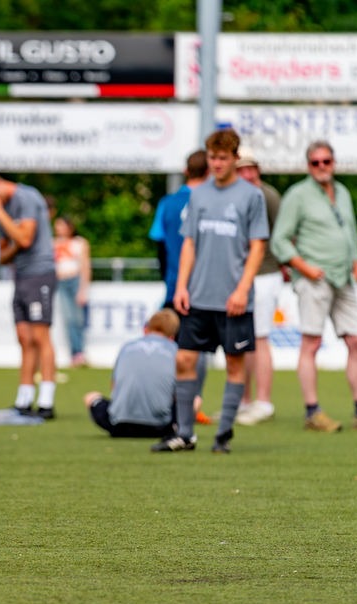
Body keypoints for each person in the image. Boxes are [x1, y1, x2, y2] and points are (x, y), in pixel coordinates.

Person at [151, 128, 269, 454]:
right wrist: (181, 286)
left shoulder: (251, 196)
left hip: (234, 300)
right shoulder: (199, 195)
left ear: (235, 158)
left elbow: (258, 247)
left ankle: (223, 435)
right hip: (198, 297)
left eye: (223, 158)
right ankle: (185, 434)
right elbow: (189, 244)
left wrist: (242, 290)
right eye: (213, 158)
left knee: (234, 365)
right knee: (184, 359)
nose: (217, 163)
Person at [270, 140, 357, 432]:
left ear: (334, 163)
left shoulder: (342, 192)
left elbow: (350, 230)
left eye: (326, 161)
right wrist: (304, 267)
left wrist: (356, 259)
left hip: (343, 277)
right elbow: (279, 239)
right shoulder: (297, 195)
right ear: (308, 166)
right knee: (311, 343)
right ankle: (313, 412)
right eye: (315, 162)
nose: (322, 166)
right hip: (314, 279)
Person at [0, 172, 57, 418]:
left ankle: (46, 402)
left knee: (40, 336)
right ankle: (24, 399)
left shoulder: (26, 197)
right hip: (20, 276)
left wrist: (0, 215)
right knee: (24, 338)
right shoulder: (5, 209)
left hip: (39, 273)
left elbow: (25, 239)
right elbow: (2, 256)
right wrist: (15, 240)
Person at [148, 150, 214, 426]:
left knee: (167, 348)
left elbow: (159, 243)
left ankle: (163, 403)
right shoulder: (213, 200)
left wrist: (170, 280)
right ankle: (193, 405)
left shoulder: (168, 203)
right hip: (206, 288)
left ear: (186, 171)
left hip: (175, 287)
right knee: (198, 350)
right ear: (209, 171)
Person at [234, 148, 283, 426]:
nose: (248, 174)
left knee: (260, 338)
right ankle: (243, 401)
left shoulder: (268, 196)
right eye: (242, 169)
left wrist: (284, 265)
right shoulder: (234, 195)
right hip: (240, 277)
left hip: (265, 275)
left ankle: (263, 401)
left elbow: (283, 234)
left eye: (251, 168)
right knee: (242, 340)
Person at [84, 309, 179, 438]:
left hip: (118, 425)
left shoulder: (127, 347)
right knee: (194, 401)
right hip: (161, 427)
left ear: (146, 330)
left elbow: (114, 387)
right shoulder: (176, 350)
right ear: (172, 337)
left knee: (91, 397)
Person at [53, 215, 91, 368]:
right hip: (60, 282)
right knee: (68, 318)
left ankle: (79, 352)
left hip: (75, 281)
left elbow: (85, 266)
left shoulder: (79, 243)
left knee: (77, 319)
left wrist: (83, 289)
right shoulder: (53, 243)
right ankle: (74, 353)